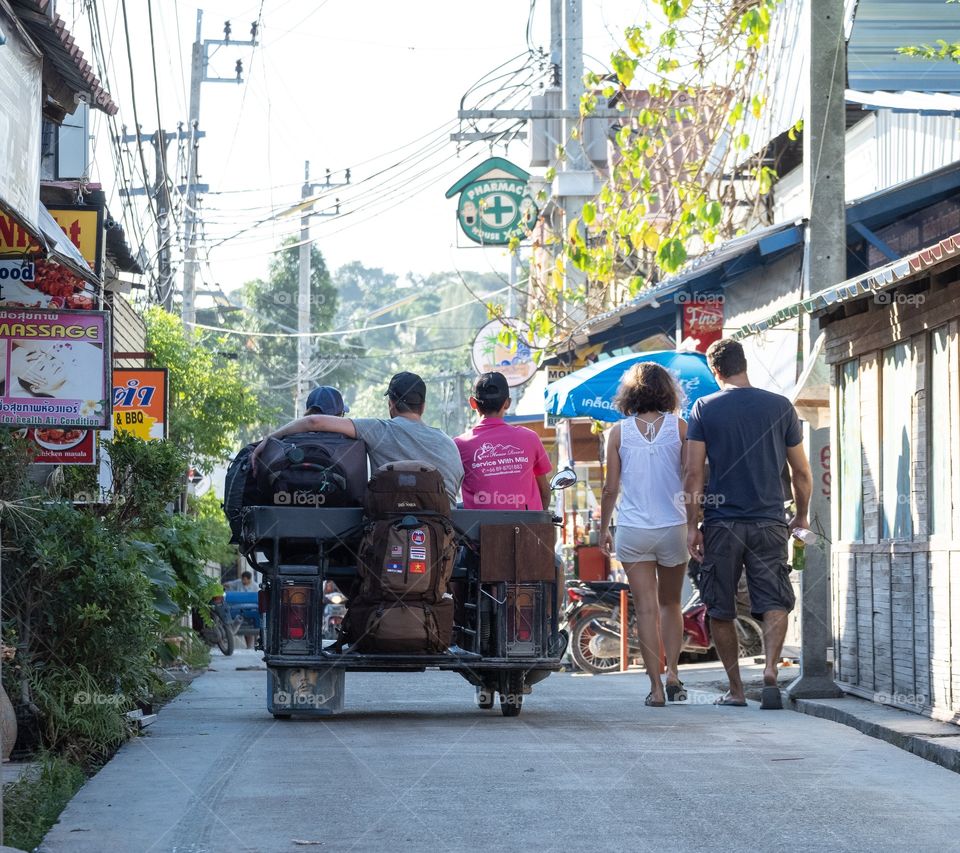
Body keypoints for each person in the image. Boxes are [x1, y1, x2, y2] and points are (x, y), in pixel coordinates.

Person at [684, 338, 812, 709]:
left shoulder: (704, 408)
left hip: (722, 523)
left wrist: (693, 525)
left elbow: (693, 473)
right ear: (745, 365)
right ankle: (771, 669)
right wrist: (800, 515)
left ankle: (737, 690)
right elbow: (801, 472)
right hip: (770, 520)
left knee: (720, 605)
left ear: (716, 371)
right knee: (774, 598)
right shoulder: (780, 407)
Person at [599, 362, 689, 707]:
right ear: (668, 390)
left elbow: (610, 488)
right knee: (671, 603)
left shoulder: (618, 433)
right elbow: (691, 475)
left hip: (633, 529)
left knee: (646, 608)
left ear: (630, 394)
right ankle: (674, 673)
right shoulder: (680, 428)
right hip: (673, 527)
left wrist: (604, 527)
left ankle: (655, 688)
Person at [252, 372, 464, 506]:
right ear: (423, 406)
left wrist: (270, 439)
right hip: (442, 543)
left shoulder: (380, 430)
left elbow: (314, 422)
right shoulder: (448, 443)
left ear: (391, 403)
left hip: (389, 535)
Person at [454, 371, 552, 510]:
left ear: (473, 403)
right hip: (528, 528)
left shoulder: (459, 445)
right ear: (507, 403)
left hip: (479, 530)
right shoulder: (530, 438)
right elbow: (545, 493)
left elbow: (449, 492)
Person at [226, 571, 258, 649]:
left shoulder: (255, 586)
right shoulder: (238, 582)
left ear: (249, 580)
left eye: (245, 580)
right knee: (244, 625)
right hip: (239, 608)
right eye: (242, 579)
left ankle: (256, 644)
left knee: (254, 625)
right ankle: (249, 647)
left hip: (252, 609)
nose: (243, 581)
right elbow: (227, 584)